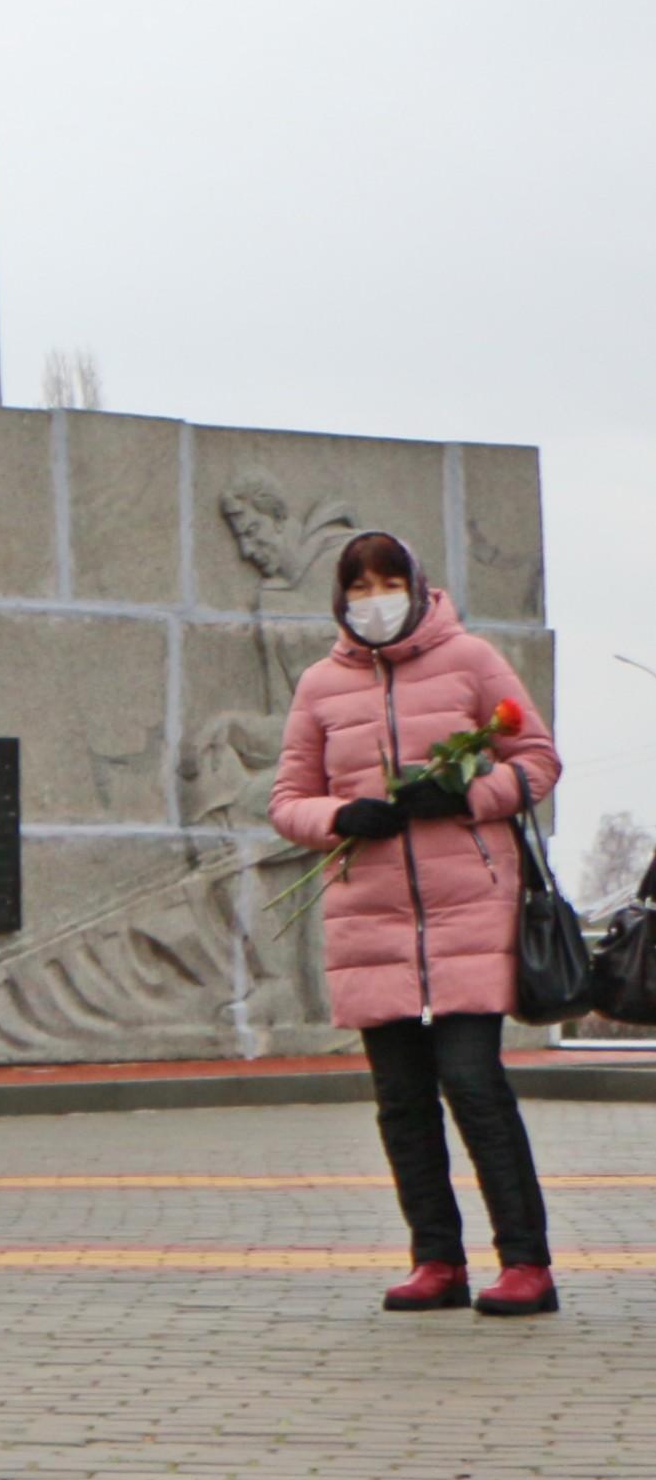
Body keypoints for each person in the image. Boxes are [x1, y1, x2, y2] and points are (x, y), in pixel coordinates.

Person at [269, 530, 566, 1317]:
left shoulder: (469, 660)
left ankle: (525, 1263)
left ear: (416, 584)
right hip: (368, 915)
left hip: (468, 905)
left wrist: (469, 796)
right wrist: (340, 814)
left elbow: (535, 758)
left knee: (471, 1081)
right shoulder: (317, 685)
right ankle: (435, 1258)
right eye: (357, 586)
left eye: (386, 581)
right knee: (399, 1096)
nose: (373, 599)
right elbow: (285, 801)